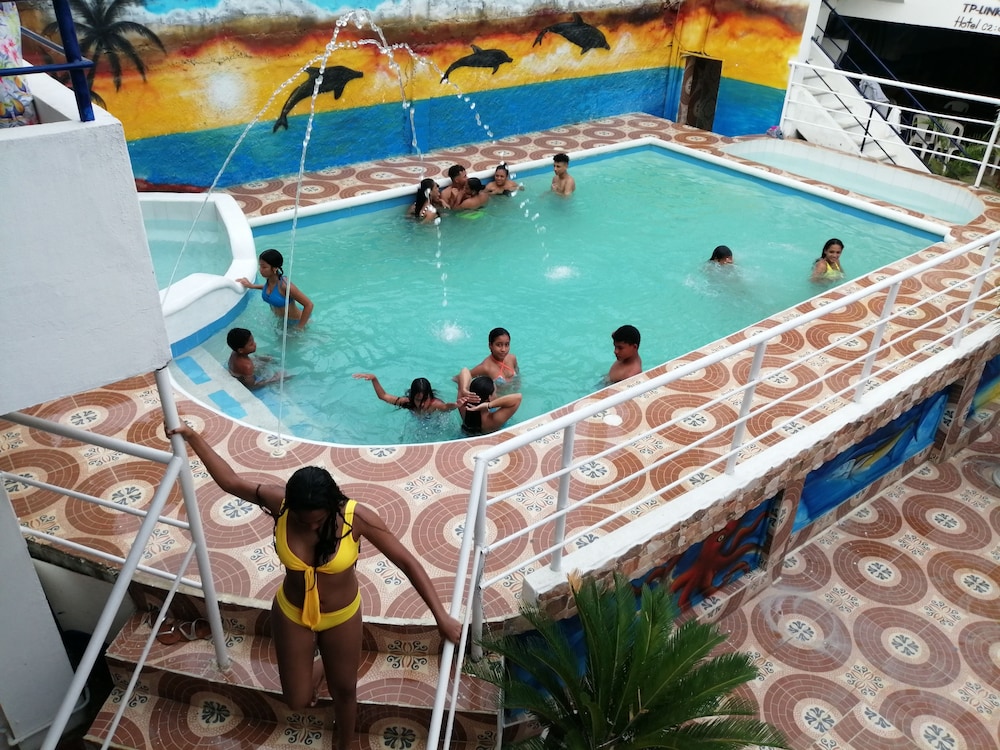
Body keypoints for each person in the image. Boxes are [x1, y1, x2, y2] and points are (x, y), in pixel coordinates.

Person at [164, 423, 461, 750]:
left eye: (319, 520)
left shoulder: (356, 517)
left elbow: (407, 562)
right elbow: (230, 482)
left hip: (341, 616)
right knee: (297, 700)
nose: (311, 526)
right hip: (292, 613)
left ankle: (344, 743)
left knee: (345, 690)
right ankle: (321, 669)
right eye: (304, 520)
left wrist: (441, 616)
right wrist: (192, 436)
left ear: (332, 504)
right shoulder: (280, 504)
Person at [238, 249, 314, 330]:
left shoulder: (285, 286)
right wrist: (252, 286)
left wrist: (299, 327)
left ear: (274, 268)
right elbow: (271, 290)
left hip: (296, 321)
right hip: (281, 320)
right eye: (260, 266)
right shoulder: (269, 281)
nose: (260, 270)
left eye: (264, 267)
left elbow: (309, 305)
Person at [352, 373, 456, 414]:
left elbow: (446, 407)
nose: (422, 404)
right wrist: (374, 379)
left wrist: (455, 405)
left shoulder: (435, 404)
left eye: (425, 399)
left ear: (430, 396)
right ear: (412, 397)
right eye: (418, 400)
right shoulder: (408, 403)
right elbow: (383, 396)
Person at [456, 374, 522, 435]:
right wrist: (489, 405)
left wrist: (464, 390)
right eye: (495, 392)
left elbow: (464, 371)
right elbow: (518, 397)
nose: (496, 395)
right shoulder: (492, 420)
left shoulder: (463, 407)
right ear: (489, 398)